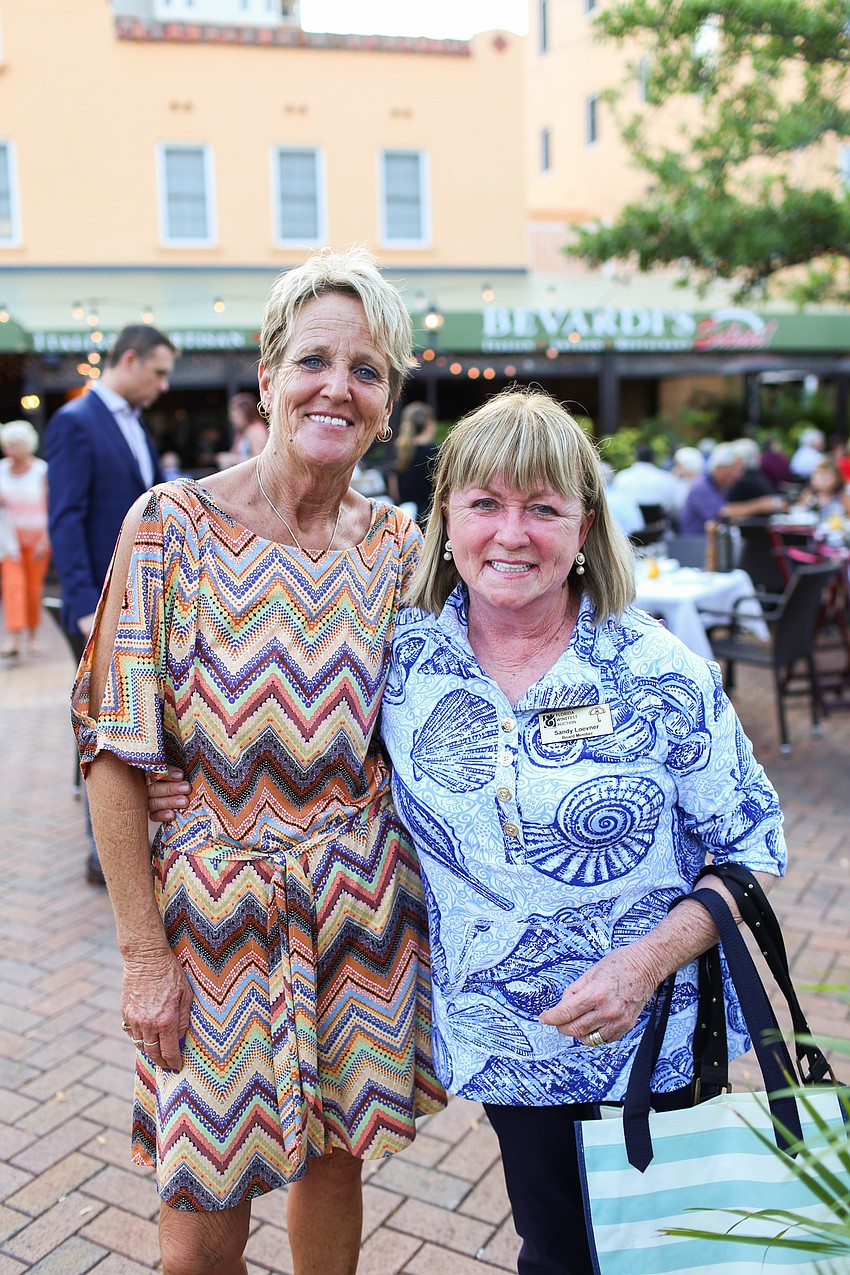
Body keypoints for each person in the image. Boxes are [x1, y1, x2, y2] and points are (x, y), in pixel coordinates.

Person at [71, 248, 445, 1275]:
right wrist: (142, 955)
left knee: (334, 1164)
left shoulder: (399, 548)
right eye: (316, 360)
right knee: (198, 1227)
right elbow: (113, 746)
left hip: (360, 903)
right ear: (270, 376)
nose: (340, 386)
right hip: (210, 913)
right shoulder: (172, 528)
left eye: (367, 370)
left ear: (387, 399)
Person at [378, 388, 786, 1275]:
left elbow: (753, 842)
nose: (512, 533)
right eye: (485, 503)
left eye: (543, 508)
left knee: (666, 1257)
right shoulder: (403, 661)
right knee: (555, 1251)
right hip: (508, 1041)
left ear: (584, 525)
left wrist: (641, 965)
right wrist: (180, 786)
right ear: (446, 516)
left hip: (656, 1042)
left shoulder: (655, 669)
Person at [44, 323, 175, 884]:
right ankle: (105, 855)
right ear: (129, 359)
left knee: (136, 722)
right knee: (100, 731)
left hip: (139, 602)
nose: (164, 385)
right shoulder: (75, 422)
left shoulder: (136, 425)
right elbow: (65, 519)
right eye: (159, 371)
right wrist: (79, 604)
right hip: (96, 603)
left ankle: (128, 839)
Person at [0, 419, 50, 660]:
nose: (9, 450)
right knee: (13, 587)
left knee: (32, 590)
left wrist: (44, 539)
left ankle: (32, 636)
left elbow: (51, 507)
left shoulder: (42, 470)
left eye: (15, 445)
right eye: (7, 445)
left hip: (37, 541)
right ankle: (14, 638)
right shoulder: (0, 470)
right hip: (8, 542)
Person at [678, 441, 783, 534]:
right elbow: (723, 514)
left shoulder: (718, 486)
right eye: (737, 469)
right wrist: (761, 505)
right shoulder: (701, 486)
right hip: (696, 548)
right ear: (723, 468)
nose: (740, 475)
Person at [386, 400, 439, 521]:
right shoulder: (436, 453)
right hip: (430, 520)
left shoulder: (398, 452)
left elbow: (394, 493)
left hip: (404, 519)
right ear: (429, 424)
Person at [609, 444, 679, 519]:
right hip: (658, 526)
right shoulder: (666, 478)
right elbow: (672, 505)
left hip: (630, 526)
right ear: (654, 459)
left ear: (635, 458)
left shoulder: (622, 477)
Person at [216, 391, 268, 468]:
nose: (232, 419)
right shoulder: (243, 432)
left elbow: (260, 461)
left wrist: (232, 459)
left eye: (235, 415)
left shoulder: (256, 431)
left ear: (245, 413)